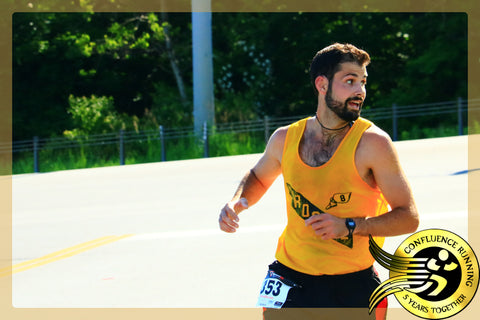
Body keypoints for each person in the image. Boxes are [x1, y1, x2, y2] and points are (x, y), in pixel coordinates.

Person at [218, 43, 419, 319]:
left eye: (362, 82)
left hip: (352, 286)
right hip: (289, 279)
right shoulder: (285, 138)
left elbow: (408, 217)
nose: (360, 91)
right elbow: (257, 177)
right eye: (349, 81)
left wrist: (349, 226)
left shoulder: (373, 144)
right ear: (322, 84)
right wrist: (236, 201)